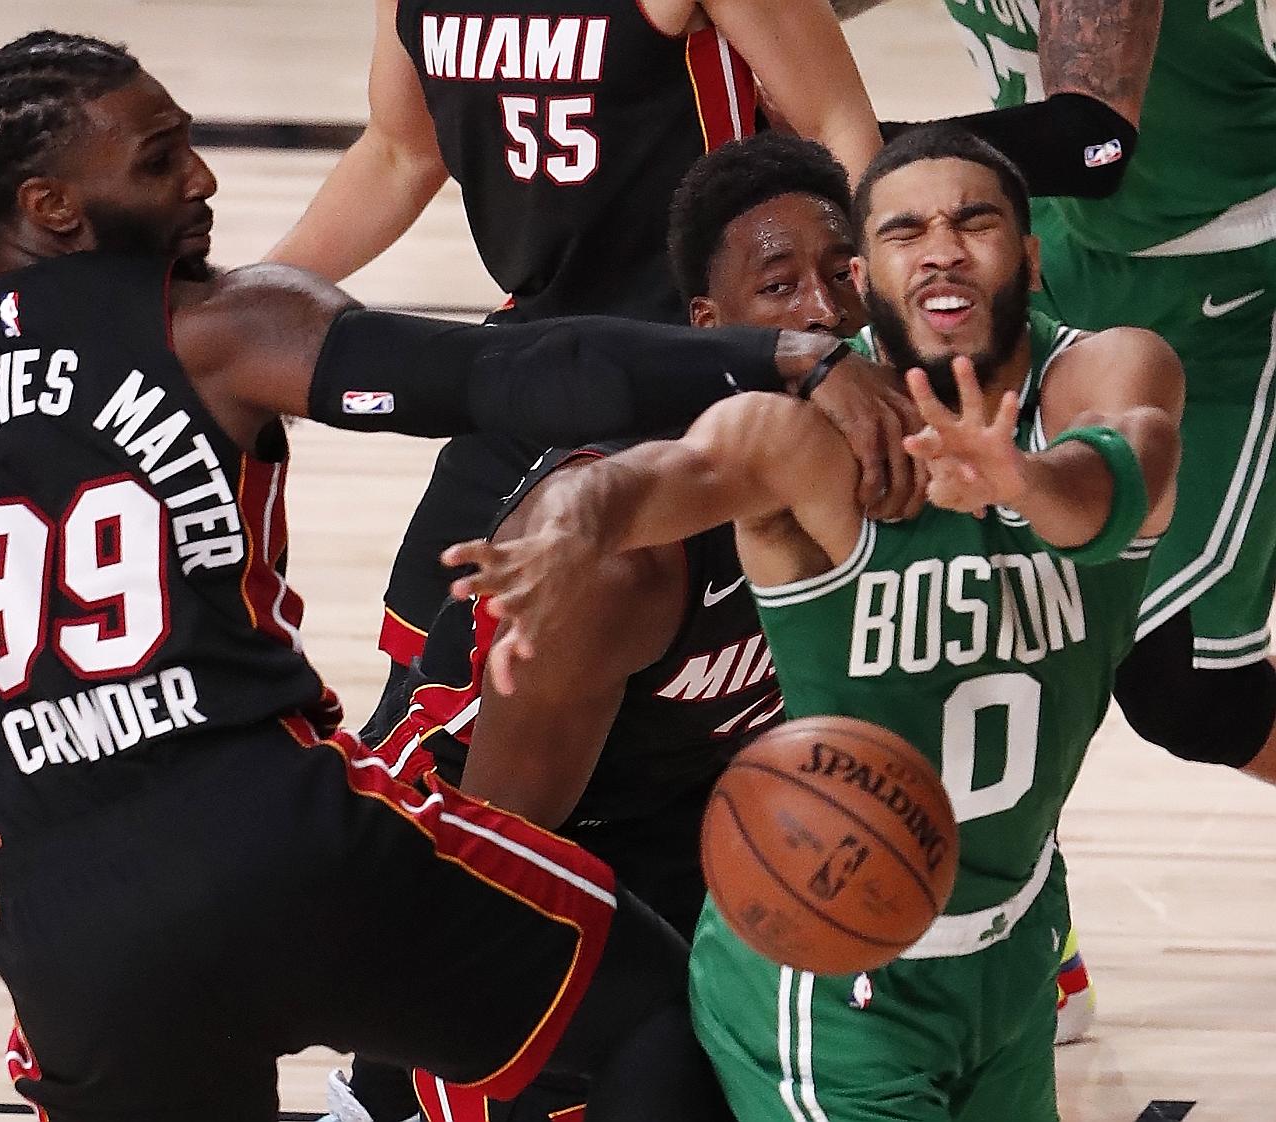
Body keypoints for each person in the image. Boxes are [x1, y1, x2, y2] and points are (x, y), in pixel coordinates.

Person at [0, 31, 921, 1122]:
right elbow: (519, 371)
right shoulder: (222, 328)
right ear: (50, 206)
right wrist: (778, 356)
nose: (202, 181)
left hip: (76, 929)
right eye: (161, 163)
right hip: (294, 850)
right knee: (667, 1019)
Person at [446, 127, 1183, 1122]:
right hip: (832, 978)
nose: (941, 249)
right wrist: (571, 525)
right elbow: (661, 476)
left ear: (1034, 253)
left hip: (1009, 953)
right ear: (877, 279)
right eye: (905, 231)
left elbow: (1130, 469)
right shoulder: (797, 434)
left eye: (975, 222)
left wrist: (1018, 480)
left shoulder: (1110, 372)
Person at [331, 132, 883, 1122]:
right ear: (714, 329)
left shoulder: (885, 459)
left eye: (843, 274)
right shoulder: (634, 570)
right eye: (781, 285)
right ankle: (382, 1095)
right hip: (471, 833)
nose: (823, 311)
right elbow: (497, 854)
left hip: (675, 806)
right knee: (659, 1062)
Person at [265, 0, 904, 742]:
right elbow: (400, 153)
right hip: (538, 356)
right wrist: (234, 301)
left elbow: (838, 123)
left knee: (689, 717)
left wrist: (882, 339)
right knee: (423, 693)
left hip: (710, 367)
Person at [835, 0, 1276, 1040]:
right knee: (984, 600)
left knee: (1189, 692)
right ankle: (1036, 933)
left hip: (1229, 276)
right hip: (1048, 254)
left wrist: (863, 163)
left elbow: (1091, 135)